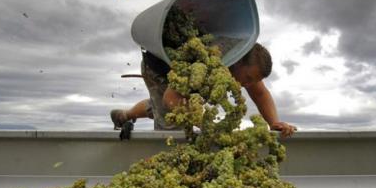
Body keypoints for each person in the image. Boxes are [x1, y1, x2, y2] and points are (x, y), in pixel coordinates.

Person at [111, 43, 297, 138]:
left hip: (182, 82)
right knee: (170, 115)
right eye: (248, 79)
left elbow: (260, 93)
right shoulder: (206, 62)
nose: (247, 85)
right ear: (238, 61)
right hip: (158, 69)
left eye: (253, 81)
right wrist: (208, 127)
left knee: (161, 106)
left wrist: (274, 123)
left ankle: (125, 115)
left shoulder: (245, 64)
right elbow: (171, 98)